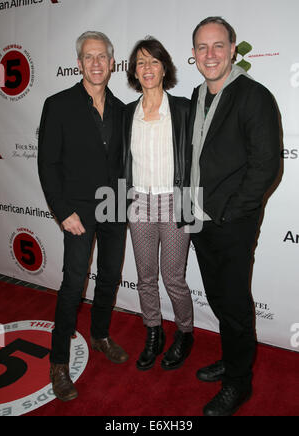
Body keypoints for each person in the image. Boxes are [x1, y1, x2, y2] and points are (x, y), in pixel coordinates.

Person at [188, 17, 281, 416]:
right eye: (202, 48)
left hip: (231, 223)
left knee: (236, 303)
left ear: (232, 48)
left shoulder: (253, 95)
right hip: (197, 219)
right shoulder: (196, 97)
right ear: (193, 55)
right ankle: (232, 359)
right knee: (220, 300)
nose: (210, 55)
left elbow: (267, 166)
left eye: (217, 46)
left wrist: (228, 213)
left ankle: (239, 383)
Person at [38, 31, 128, 402]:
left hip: (115, 206)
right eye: (88, 57)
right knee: (74, 284)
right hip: (76, 211)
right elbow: (47, 164)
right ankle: (58, 361)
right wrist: (62, 212)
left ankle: (101, 334)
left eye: (101, 57)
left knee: (108, 278)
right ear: (79, 64)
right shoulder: (57, 104)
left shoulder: (124, 110)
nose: (95, 64)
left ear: (111, 63)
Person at [124, 37, 194, 371]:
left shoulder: (183, 109)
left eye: (154, 61)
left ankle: (185, 332)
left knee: (173, 276)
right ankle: (154, 331)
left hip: (174, 201)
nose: (147, 68)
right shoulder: (126, 114)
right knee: (145, 276)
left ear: (164, 67)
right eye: (141, 62)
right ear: (134, 72)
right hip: (138, 202)